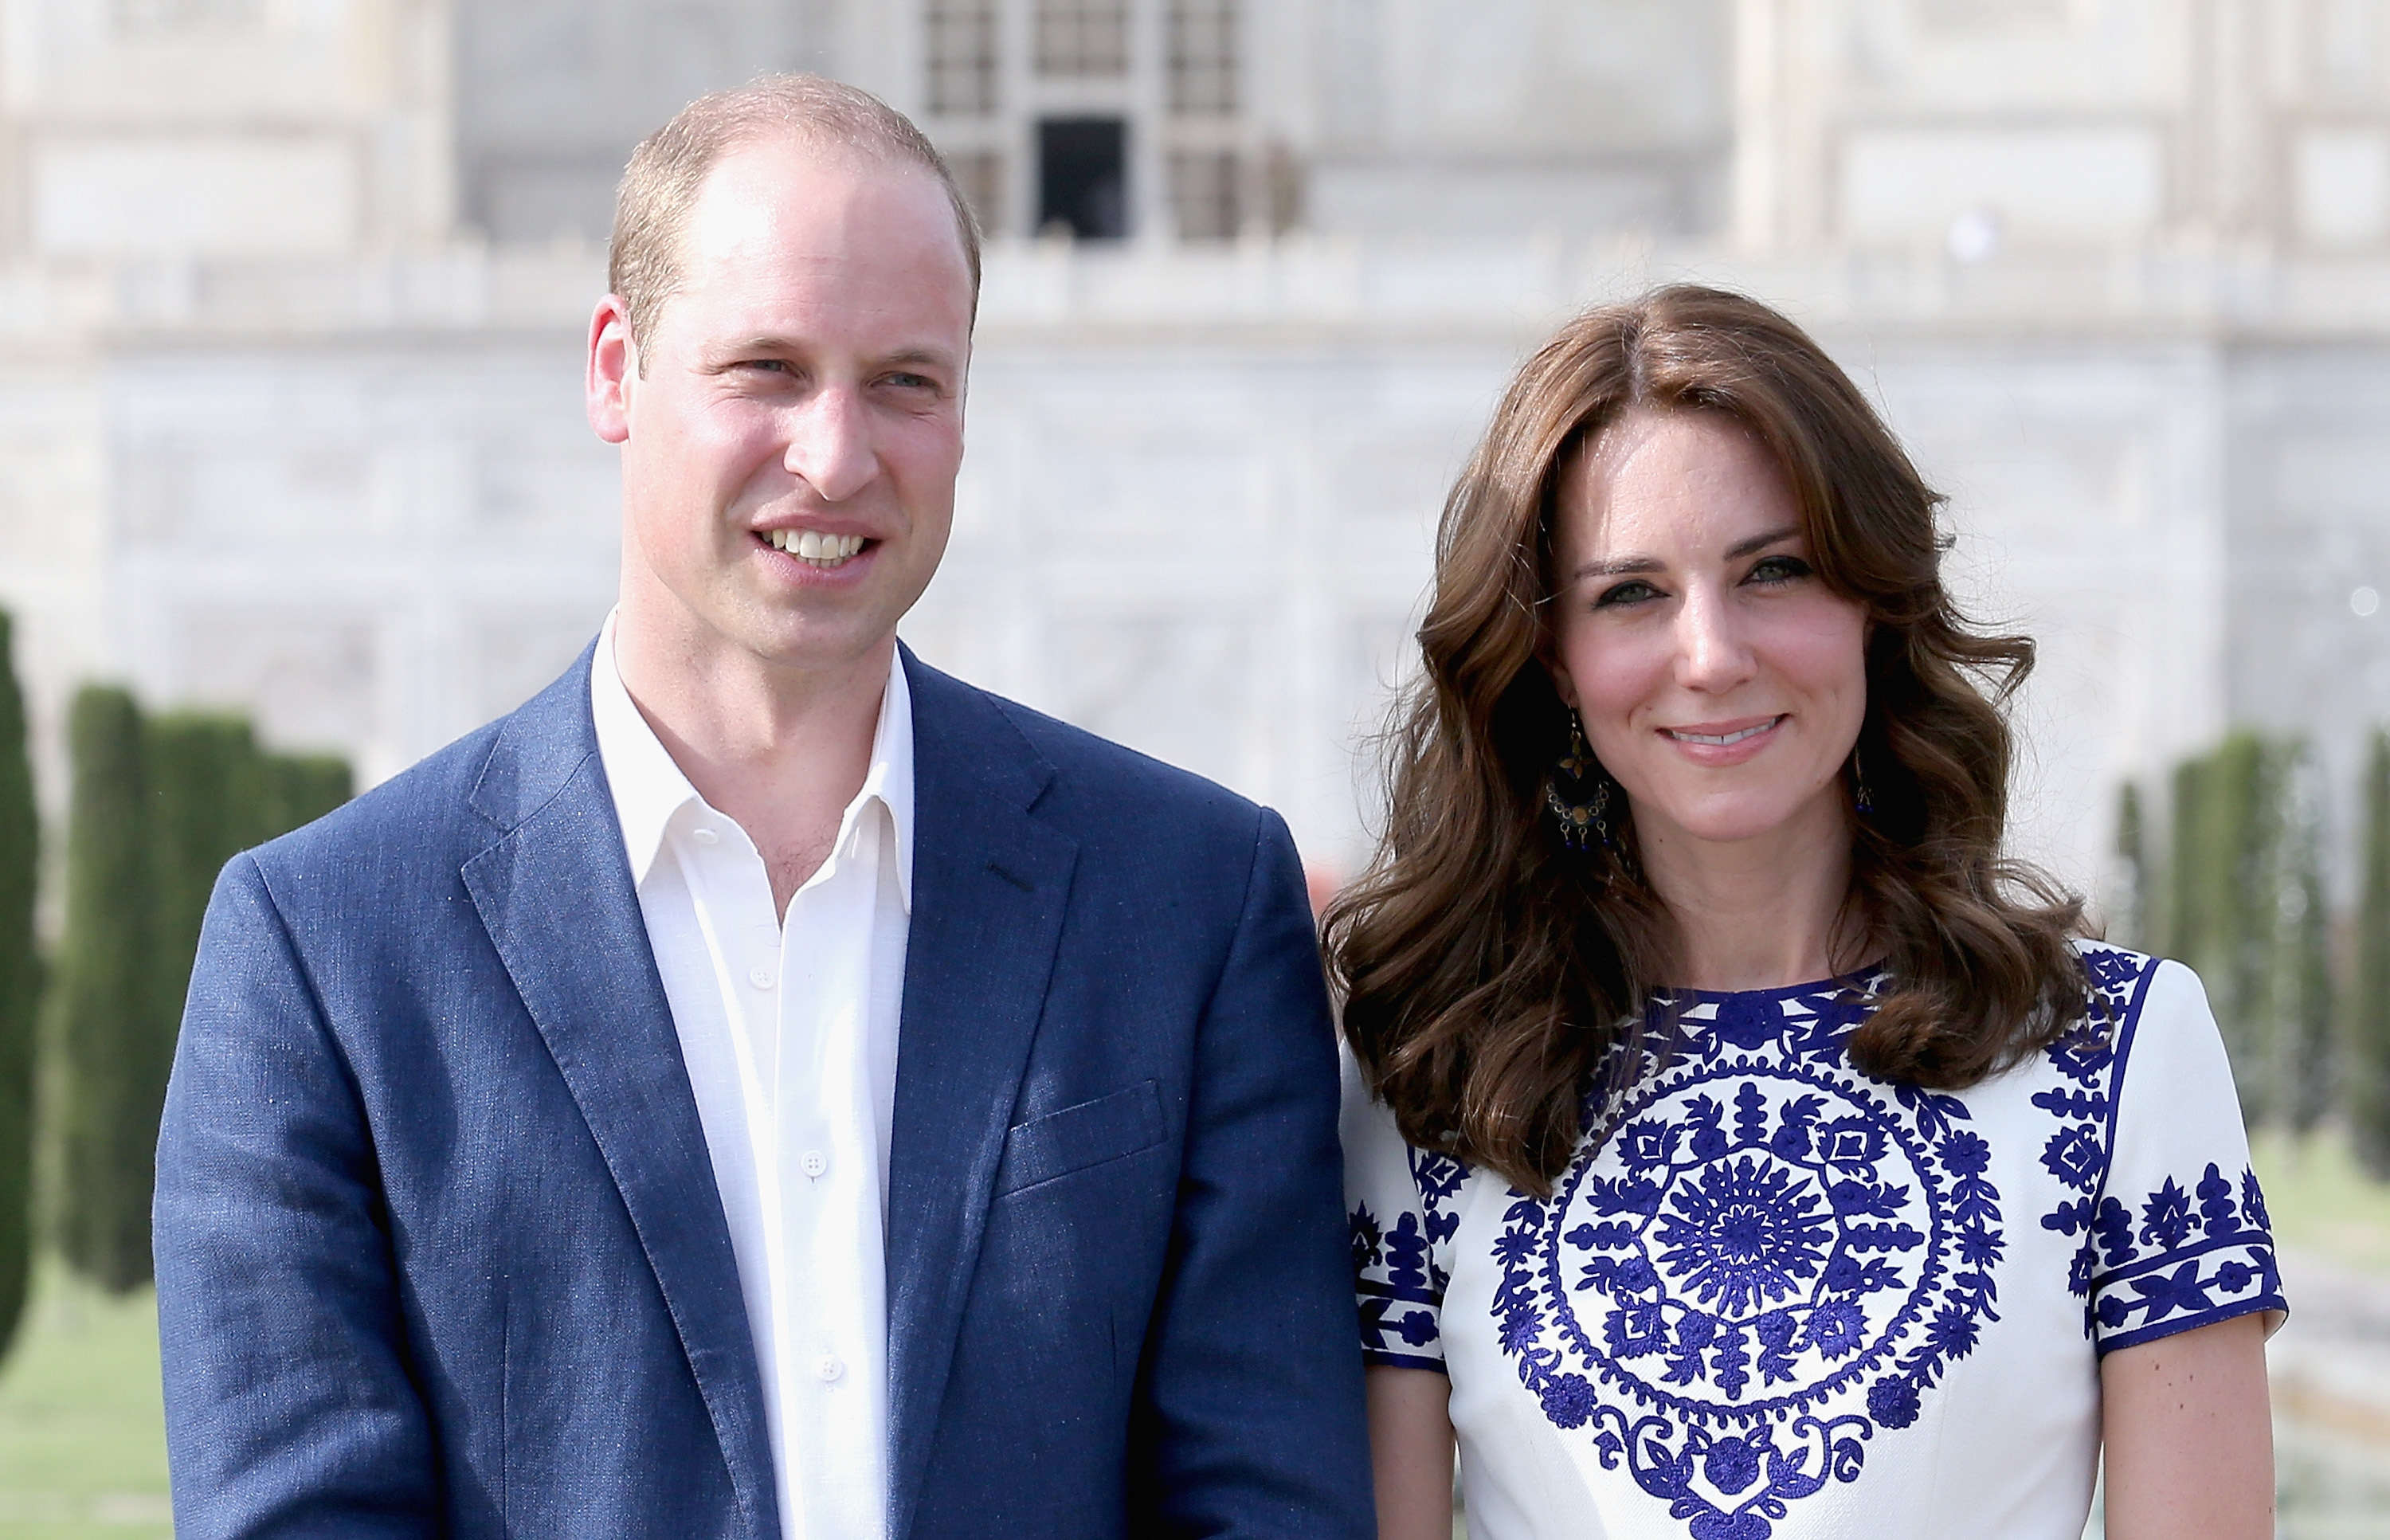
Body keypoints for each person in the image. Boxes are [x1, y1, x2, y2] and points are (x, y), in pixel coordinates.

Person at [153, 75, 1373, 1540]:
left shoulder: (1187, 900)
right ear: (616, 369)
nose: (837, 455)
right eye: (767, 370)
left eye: (907, 380)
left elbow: (1267, 1501)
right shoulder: (324, 952)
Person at [1326, 285, 2284, 1540]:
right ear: (1552, 653)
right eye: (1631, 593)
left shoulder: (2117, 1052)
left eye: (1774, 570)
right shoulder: (1431, 1082)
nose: (1712, 653)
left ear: (1874, 602)